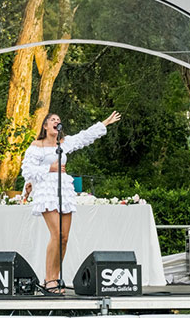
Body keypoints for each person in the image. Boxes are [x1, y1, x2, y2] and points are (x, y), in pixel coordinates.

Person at [21, 111, 121, 295]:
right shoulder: (37, 146)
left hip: (64, 189)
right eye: (52, 120)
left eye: (59, 120)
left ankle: (55, 276)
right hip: (47, 191)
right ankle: (49, 279)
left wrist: (104, 123)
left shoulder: (63, 143)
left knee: (64, 237)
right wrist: (49, 168)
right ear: (45, 126)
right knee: (56, 234)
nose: (56, 122)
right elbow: (27, 170)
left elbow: (84, 137)